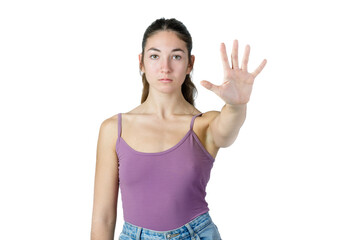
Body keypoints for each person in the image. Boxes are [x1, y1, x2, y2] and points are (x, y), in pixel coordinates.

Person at [90, 18, 267, 240]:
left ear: (190, 63)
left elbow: (228, 129)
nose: (165, 67)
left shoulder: (204, 125)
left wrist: (237, 105)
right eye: (155, 56)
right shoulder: (113, 129)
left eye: (176, 56)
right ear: (141, 63)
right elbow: (103, 218)